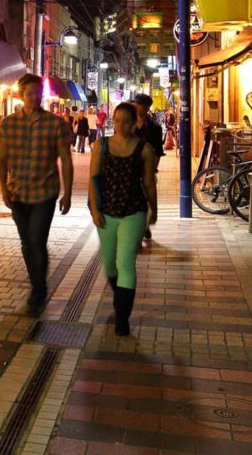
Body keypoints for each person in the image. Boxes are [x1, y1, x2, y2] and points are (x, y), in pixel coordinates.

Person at [0, 74, 73, 316]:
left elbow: (66, 160)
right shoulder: (8, 124)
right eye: (29, 93)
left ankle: (38, 290)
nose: (34, 97)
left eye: (38, 93)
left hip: (44, 192)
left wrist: (68, 193)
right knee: (27, 244)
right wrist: (2, 188)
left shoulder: (55, 123)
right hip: (18, 193)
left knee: (37, 240)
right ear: (21, 95)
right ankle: (37, 284)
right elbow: (2, 159)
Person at [88, 102, 158, 337]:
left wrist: (153, 209)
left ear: (135, 122)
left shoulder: (144, 149)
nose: (120, 125)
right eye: (116, 120)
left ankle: (122, 317)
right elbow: (93, 178)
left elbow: (148, 183)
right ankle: (121, 300)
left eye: (125, 121)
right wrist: (94, 210)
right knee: (109, 263)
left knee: (125, 262)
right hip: (106, 210)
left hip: (133, 211)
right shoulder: (102, 145)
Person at [131, 94, 164, 244]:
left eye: (138, 104)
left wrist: (153, 169)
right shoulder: (127, 124)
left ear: (146, 107)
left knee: (145, 200)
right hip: (128, 170)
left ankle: (143, 226)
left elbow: (158, 151)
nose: (135, 107)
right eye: (135, 104)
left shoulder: (154, 128)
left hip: (146, 170)